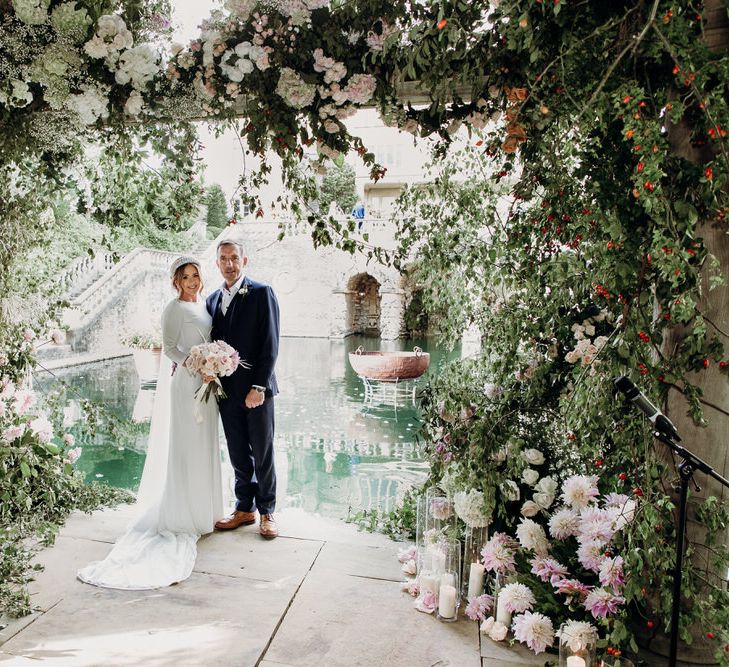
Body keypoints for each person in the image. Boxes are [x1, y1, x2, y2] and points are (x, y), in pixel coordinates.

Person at [77, 257, 223, 589]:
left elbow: (209, 341)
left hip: (208, 384)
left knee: (204, 446)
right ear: (175, 281)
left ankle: (205, 510)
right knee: (186, 448)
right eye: (185, 277)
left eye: (195, 275)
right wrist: (195, 364)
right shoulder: (173, 309)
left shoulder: (203, 304)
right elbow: (170, 349)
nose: (191, 281)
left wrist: (214, 364)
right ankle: (183, 513)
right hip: (187, 384)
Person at [206, 239, 281, 539]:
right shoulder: (212, 300)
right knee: (237, 452)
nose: (229, 264)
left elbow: (271, 343)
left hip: (257, 390)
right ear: (217, 263)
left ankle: (267, 511)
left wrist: (259, 385)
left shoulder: (262, 293)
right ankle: (244, 508)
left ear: (244, 261)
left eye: (234, 258)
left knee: (262, 451)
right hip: (226, 392)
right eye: (224, 259)